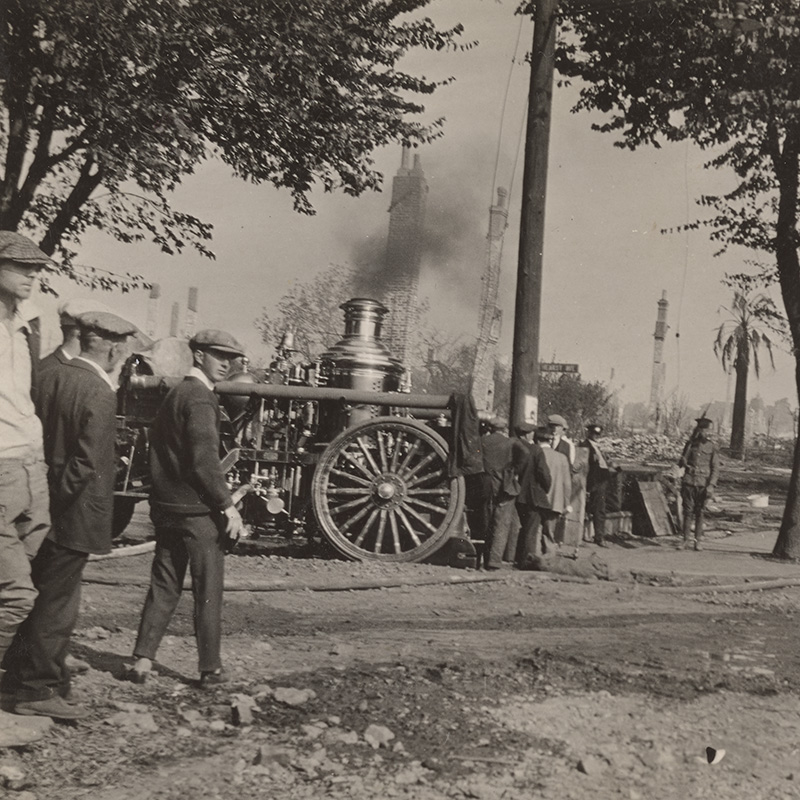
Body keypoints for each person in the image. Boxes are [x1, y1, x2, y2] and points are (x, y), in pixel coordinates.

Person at [2, 310, 135, 720]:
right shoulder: (98, 390)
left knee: (42, 593)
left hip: (38, 504)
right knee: (58, 606)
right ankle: (34, 688)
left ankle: (36, 678)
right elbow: (87, 464)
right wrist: (56, 502)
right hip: (71, 513)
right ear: (112, 347)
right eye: (123, 351)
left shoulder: (46, 372)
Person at [129, 329, 247, 687]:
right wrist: (229, 507)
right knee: (208, 590)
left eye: (231, 358)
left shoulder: (176, 393)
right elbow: (204, 463)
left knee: (164, 585)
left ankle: (142, 660)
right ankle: (209, 668)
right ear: (199, 356)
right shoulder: (200, 399)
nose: (227, 364)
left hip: (167, 509)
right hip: (197, 516)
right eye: (218, 356)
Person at [0, 231, 57, 745]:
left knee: (30, 573)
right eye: (20, 268)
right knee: (15, 593)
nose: (32, 275)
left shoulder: (24, 329)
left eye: (37, 269)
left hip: (29, 465)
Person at [480, 417, 522, 570]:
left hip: (486, 484)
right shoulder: (510, 442)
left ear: (490, 428)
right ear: (504, 429)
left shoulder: (482, 441)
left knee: (487, 522)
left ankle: (484, 558)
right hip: (504, 485)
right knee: (501, 524)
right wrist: (514, 470)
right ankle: (494, 561)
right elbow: (524, 453)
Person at [514, 422, 552, 568]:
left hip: (517, 494)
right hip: (533, 495)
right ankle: (526, 561)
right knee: (530, 530)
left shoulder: (514, 447)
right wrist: (546, 488)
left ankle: (517, 557)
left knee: (521, 528)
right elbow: (544, 473)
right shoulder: (535, 450)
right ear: (527, 434)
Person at [678, 417, 719, 551]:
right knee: (687, 512)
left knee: (700, 513)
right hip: (689, 482)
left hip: (703, 484)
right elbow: (680, 464)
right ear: (699, 430)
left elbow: (715, 468)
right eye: (703, 430)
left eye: (708, 431)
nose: (706, 433)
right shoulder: (690, 444)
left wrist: (711, 485)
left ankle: (698, 541)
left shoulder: (712, 447)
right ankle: (685, 540)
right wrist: (683, 460)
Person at [39, 297, 113, 372]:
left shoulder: (51, 365)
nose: (107, 340)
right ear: (81, 333)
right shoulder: (54, 369)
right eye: (101, 334)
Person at [535, 426, 572, 554]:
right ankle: (549, 560)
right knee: (550, 535)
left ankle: (534, 558)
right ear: (550, 441)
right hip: (555, 501)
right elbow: (567, 484)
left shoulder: (533, 454)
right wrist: (567, 504)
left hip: (536, 500)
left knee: (535, 532)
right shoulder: (561, 458)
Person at [582, 423, 613, 547]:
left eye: (597, 434)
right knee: (597, 509)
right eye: (593, 433)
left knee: (600, 508)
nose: (596, 436)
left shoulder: (599, 447)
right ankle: (598, 537)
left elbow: (605, 463)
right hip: (593, 482)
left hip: (602, 481)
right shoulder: (584, 446)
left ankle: (598, 535)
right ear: (588, 433)